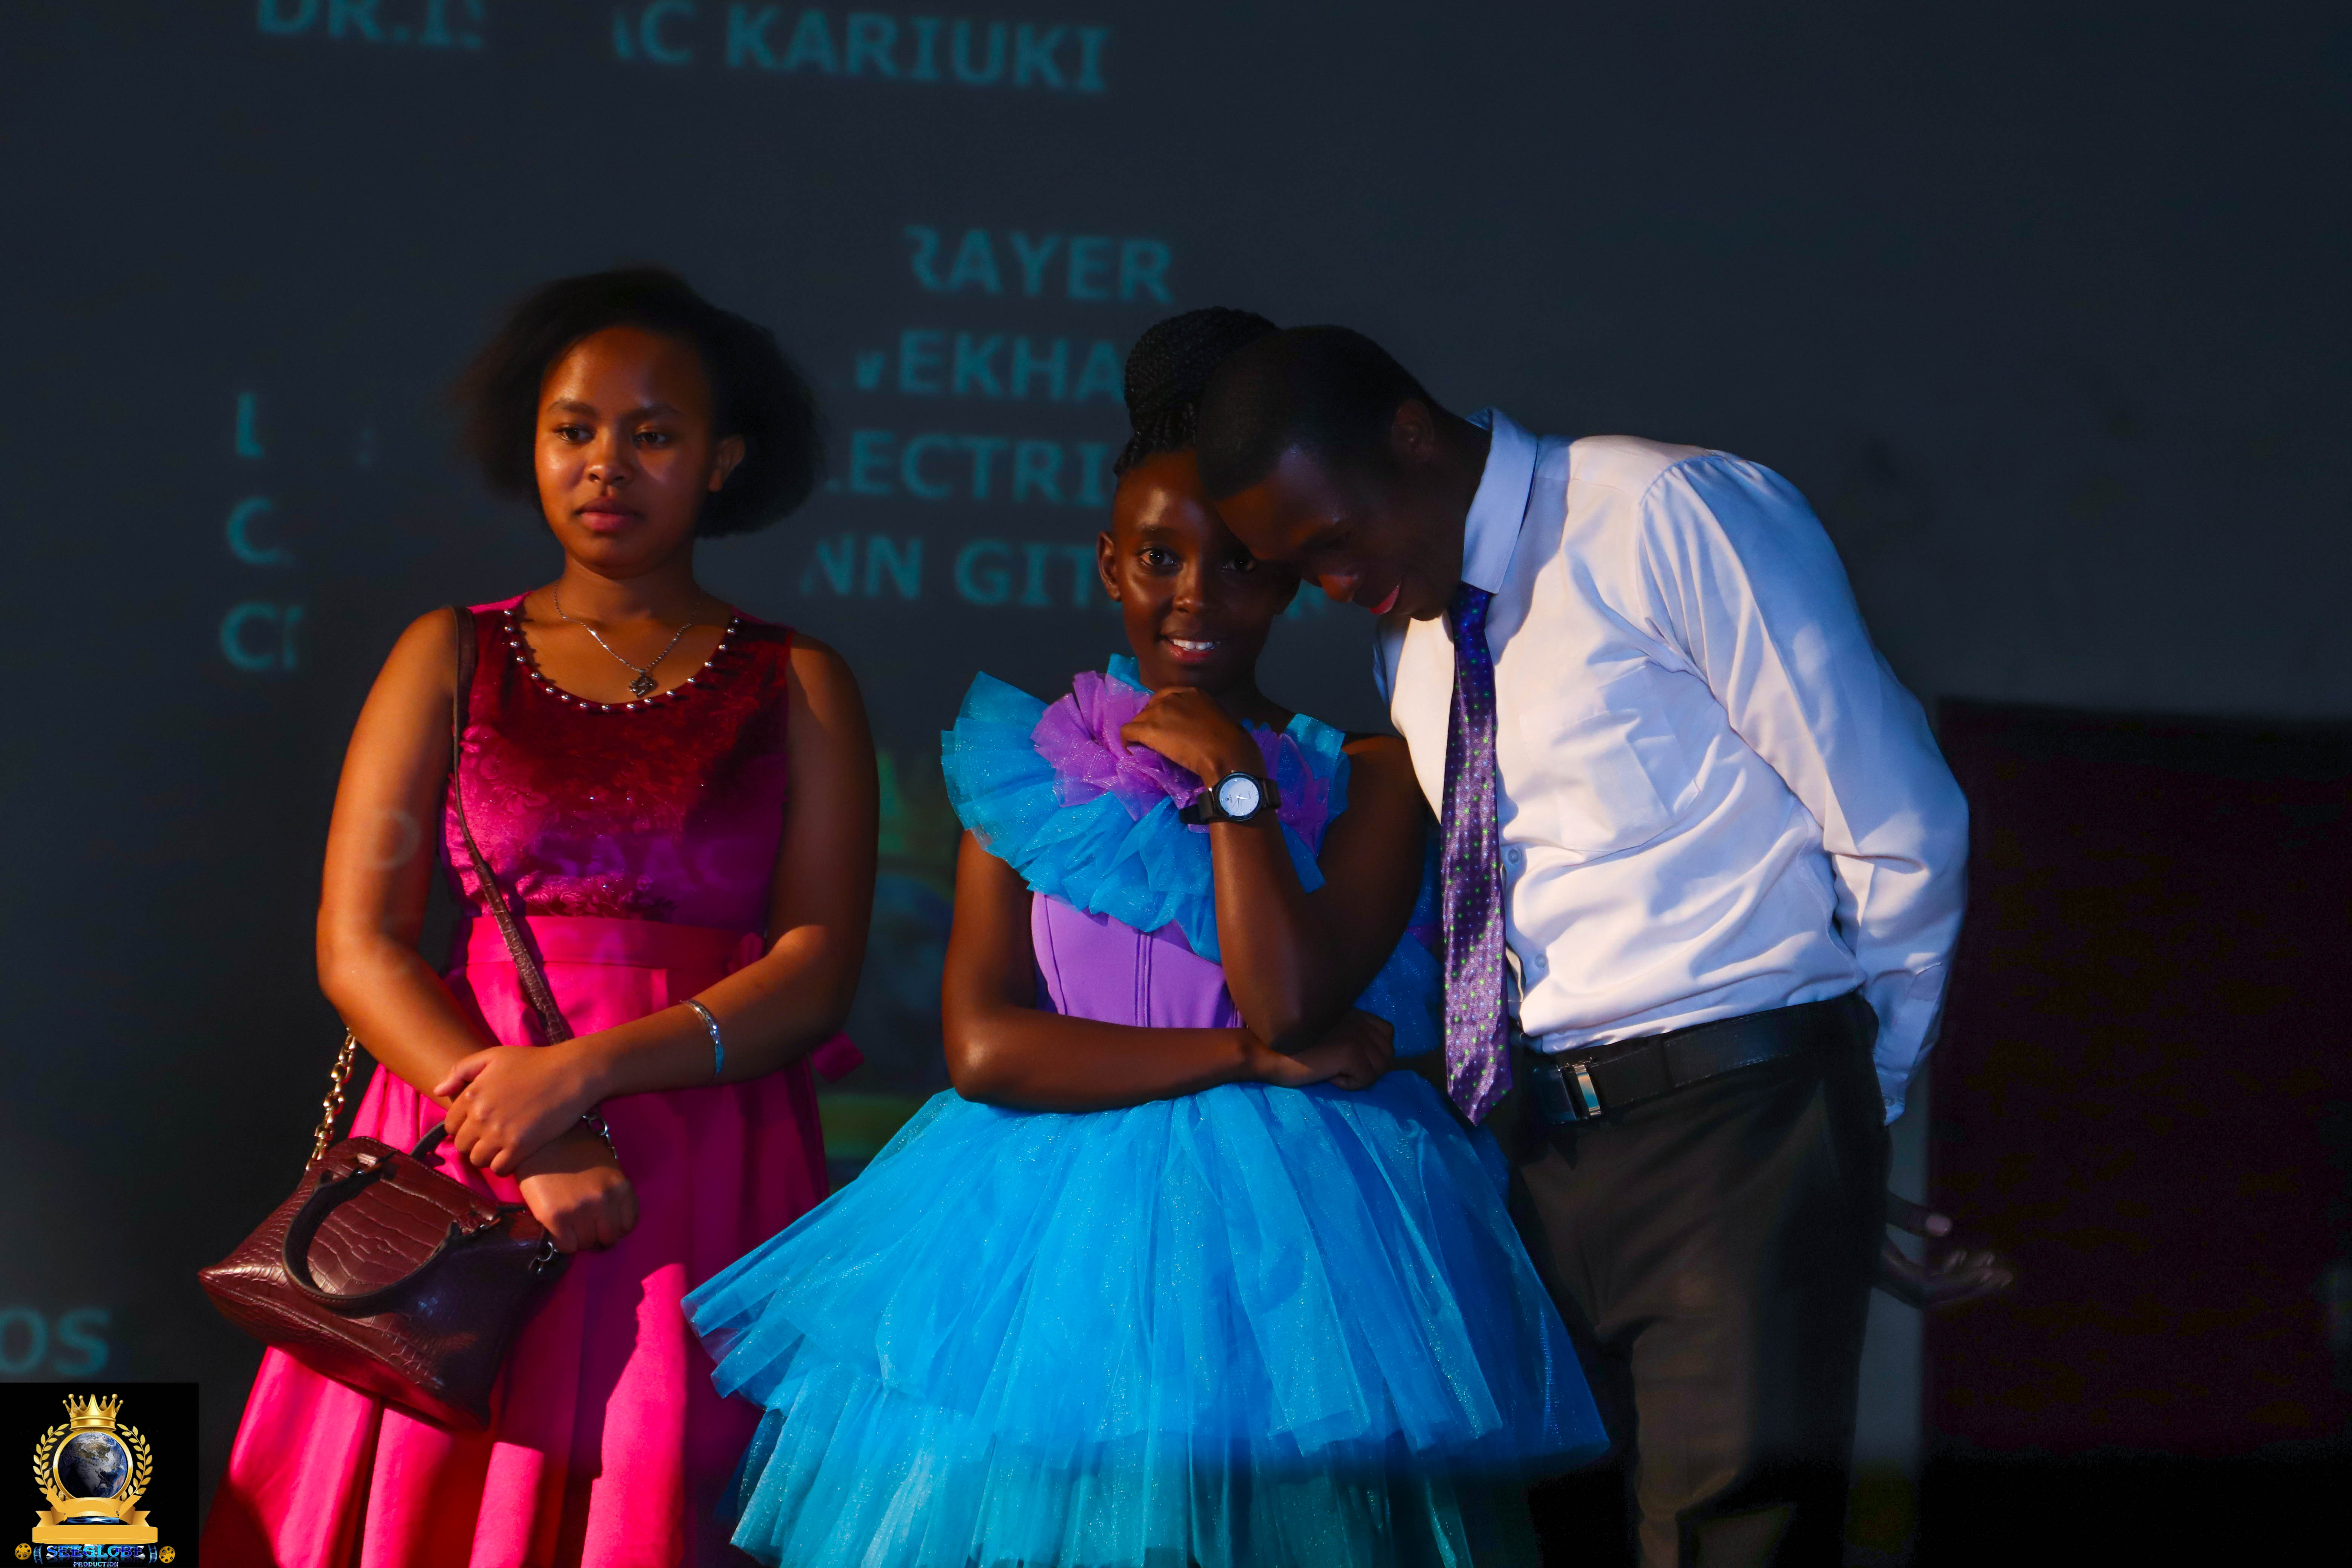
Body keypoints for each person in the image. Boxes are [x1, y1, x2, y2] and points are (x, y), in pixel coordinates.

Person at [683, 309, 1605, 1568]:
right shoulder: (1027, 773)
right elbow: (987, 1049)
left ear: (1289, 573)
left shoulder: (1375, 777)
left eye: (1240, 563)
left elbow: (1292, 1002)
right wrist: (1246, 1061)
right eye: (1162, 559)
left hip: (1312, 1258)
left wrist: (1240, 789)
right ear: (1109, 564)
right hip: (1045, 1247)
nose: (1197, 598)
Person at [1192, 327, 1995, 1567]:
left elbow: (1902, 828)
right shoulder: (1415, 643)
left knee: (1729, 1547)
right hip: (1541, 1147)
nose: (1336, 586)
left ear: (1412, 436)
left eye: (1337, 541)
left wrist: (1847, 1112)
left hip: (1738, 1118)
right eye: (1305, 571)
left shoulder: (1665, 513)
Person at [202, 268, 878, 1568]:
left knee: (658, 1490)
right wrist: (527, 1127)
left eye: (654, 432)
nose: (606, 463)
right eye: (575, 429)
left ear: (725, 460)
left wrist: (584, 1077)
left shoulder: (798, 680)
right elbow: (359, 943)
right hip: (469, 1138)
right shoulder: (450, 652)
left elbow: (817, 969)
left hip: (698, 1156)